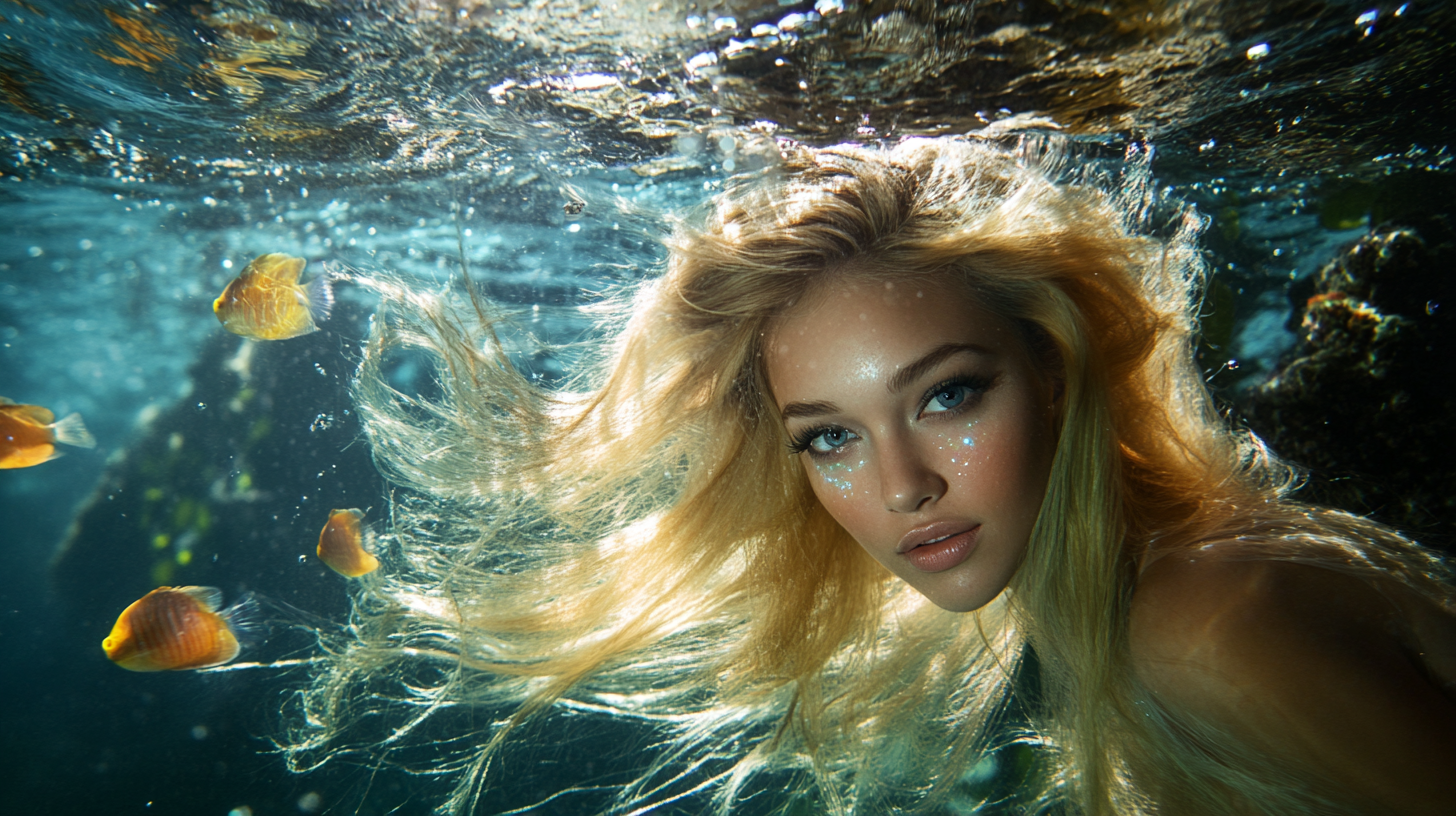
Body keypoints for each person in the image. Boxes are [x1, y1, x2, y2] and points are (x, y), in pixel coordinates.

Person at [282, 137, 1456, 815]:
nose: (900, 487)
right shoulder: (1139, 605)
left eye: (946, 396)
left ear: (1054, 370)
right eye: (827, 438)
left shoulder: (1206, 625)